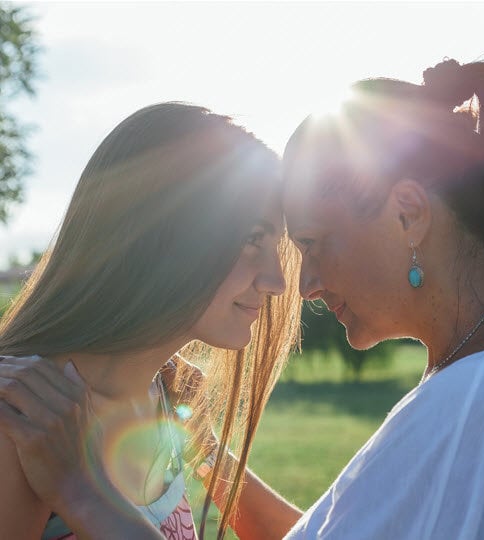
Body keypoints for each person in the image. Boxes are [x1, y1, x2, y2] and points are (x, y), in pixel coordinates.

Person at [1, 58, 484, 539]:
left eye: (308, 243)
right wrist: (202, 447)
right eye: (257, 240)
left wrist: (80, 492)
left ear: (409, 214)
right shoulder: (34, 422)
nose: (291, 284)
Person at [0, 102, 303, 539]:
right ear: (162, 239)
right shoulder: (26, 423)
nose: (276, 281)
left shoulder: (163, 400)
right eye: (252, 239)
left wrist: (207, 449)